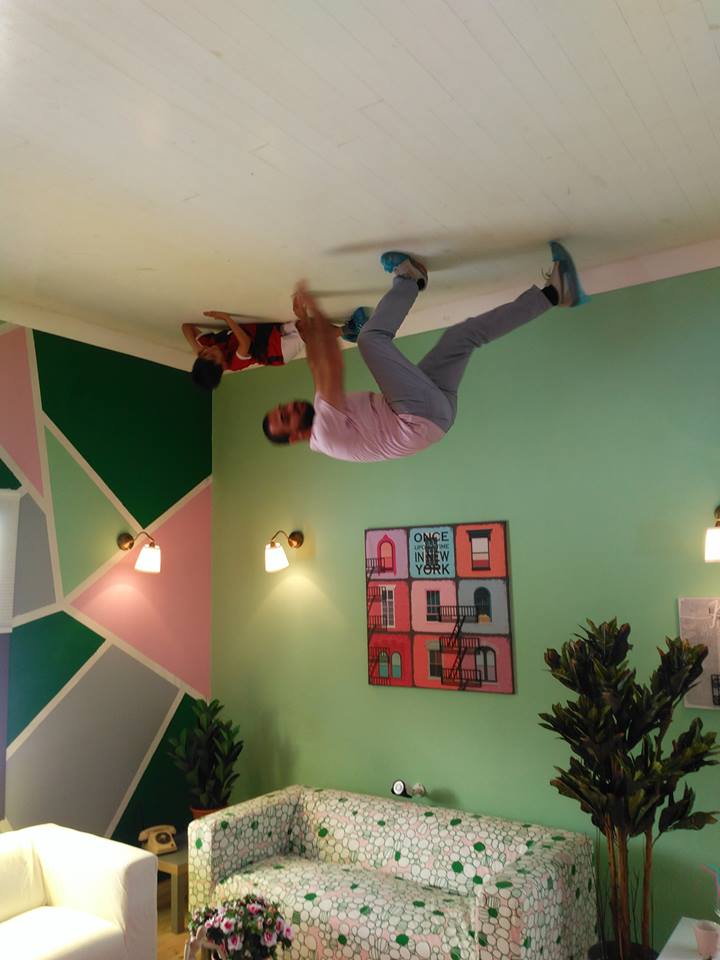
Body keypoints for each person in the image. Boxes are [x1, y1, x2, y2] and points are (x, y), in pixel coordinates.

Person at [261, 242, 588, 462]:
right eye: (286, 417)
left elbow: (318, 368)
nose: (289, 406)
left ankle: (554, 293)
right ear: (296, 436)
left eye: (281, 408)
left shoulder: (323, 421)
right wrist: (314, 307)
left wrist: (306, 323)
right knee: (370, 339)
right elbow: (332, 362)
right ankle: (408, 279)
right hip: (417, 418)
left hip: (432, 418)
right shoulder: (326, 432)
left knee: (462, 337)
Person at [182, 308, 369, 391]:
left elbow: (186, 327)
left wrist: (197, 349)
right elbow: (244, 342)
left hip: (270, 335)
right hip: (276, 352)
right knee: (307, 333)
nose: (210, 350)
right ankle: (350, 329)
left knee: (304, 325)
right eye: (213, 356)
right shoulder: (234, 363)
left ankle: (347, 333)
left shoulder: (208, 345)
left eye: (205, 354)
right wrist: (226, 318)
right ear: (222, 366)